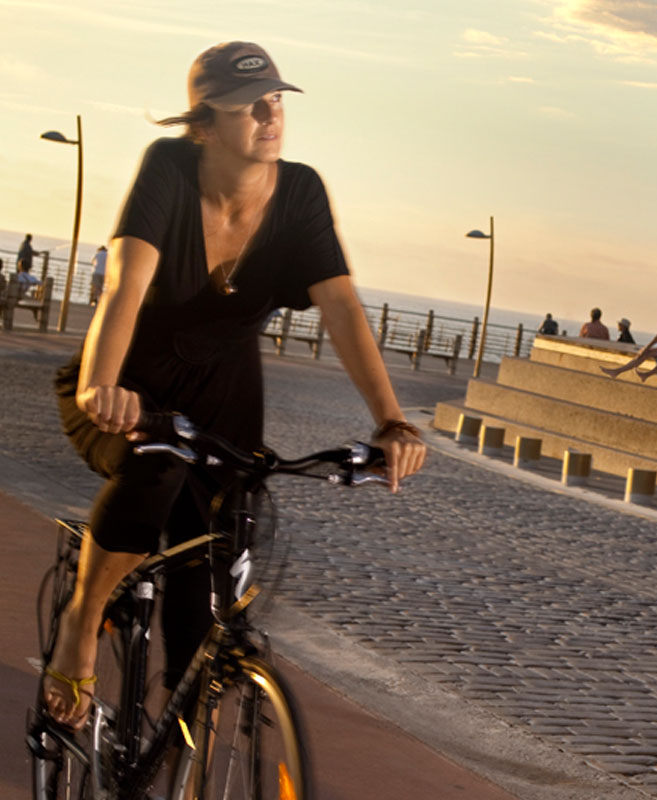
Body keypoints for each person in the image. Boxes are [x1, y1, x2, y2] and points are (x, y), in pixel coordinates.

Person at [39, 42, 428, 730]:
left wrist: (391, 420)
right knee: (154, 469)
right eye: (249, 105)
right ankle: (83, 617)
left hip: (226, 393)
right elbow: (124, 285)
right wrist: (104, 385)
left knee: (212, 577)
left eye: (276, 100)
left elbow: (341, 307)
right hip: (132, 378)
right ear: (205, 125)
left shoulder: (301, 192)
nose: (269, 115)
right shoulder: (169, 170)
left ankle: (191, 748)